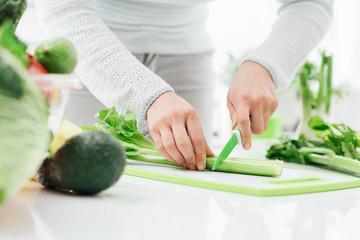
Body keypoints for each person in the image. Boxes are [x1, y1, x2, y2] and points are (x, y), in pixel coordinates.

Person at [35, 0, 333, 171]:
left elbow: (309, 3)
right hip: (90, 61)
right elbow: (65, 12)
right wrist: (147, 96)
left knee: (187, 208)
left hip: (188, 60)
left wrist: (266, 64)